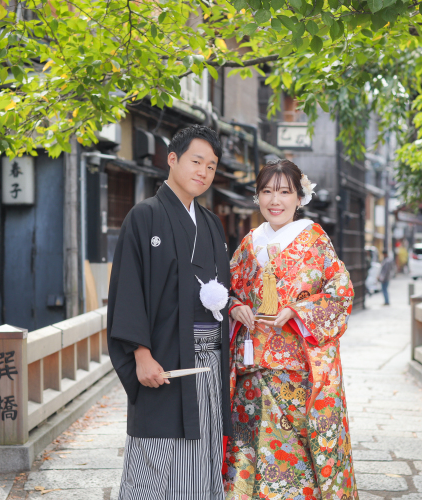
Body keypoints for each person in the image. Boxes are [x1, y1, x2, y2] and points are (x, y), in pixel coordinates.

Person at [107, 125, 231, 500]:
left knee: (202, 447)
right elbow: (128, 290)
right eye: (197, 161)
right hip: (164, 357)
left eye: (211, 166)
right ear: (172, 160)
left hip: (206, 363)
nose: (203, 172)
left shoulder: (210, 224)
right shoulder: (144, 217)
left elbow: (225, 291)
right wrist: (140, 355)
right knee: (157, 454)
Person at [224, 160, 358, 500]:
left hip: (297, 371)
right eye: (267, 191)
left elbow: (340, 293)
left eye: (285, 192)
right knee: (248, 449)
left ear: (300, 197)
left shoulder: (314, 240)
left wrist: (297, 311)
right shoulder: (249, 242)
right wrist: (234, 305)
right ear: (257, 197)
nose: (275, 200)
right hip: (251, 370)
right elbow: (229, 288)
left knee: (294, 454)